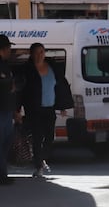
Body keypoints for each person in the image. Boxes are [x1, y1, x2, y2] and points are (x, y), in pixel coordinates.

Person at [17, 42, 71, 179]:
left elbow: (60, 87)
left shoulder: (52, 67)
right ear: (31, 54)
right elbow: (20, 91)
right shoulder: (26, 70)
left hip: (50, 108)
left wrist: (63, 106)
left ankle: (41, 158)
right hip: (34, 109)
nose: (40, 55)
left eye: (42, 52)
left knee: (49, 137)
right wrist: (17, 110)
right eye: (36, 52)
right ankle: (38, 166)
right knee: (37, 137)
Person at [0, 34, 18, 186]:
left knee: (6, 142)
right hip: (1, 110)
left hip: (6, 110)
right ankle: (2, 174)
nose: (10, 51)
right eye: (8, 48)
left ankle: (3, 172)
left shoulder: (5, 64)